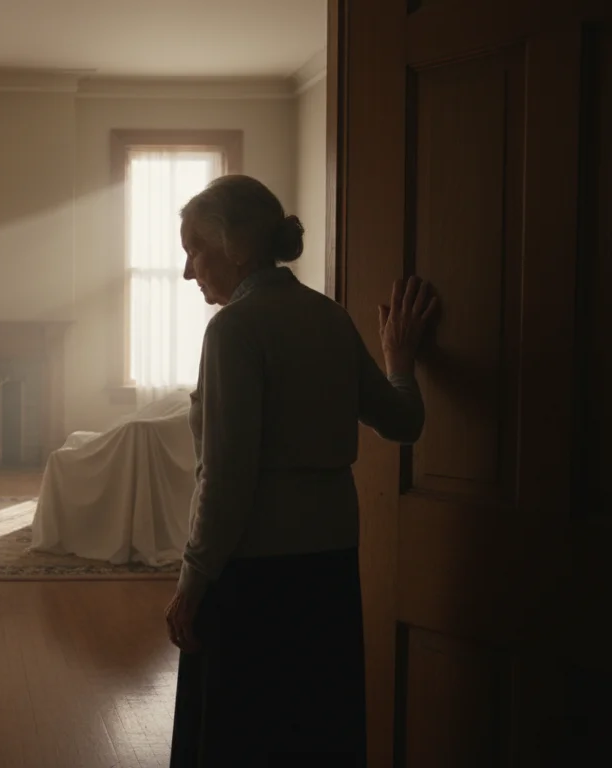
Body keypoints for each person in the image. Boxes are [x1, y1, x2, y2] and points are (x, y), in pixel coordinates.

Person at [163, 175, 437, 765]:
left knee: (240, 738)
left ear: (233, 244)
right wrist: (400, 361)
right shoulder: (329, 317)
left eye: (194, 249)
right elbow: (404, 421)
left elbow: (227, 477)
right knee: (313, 731)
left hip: (252, 573)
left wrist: (191, 583)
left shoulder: (234, 329)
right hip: (330, 564)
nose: (189, 271)